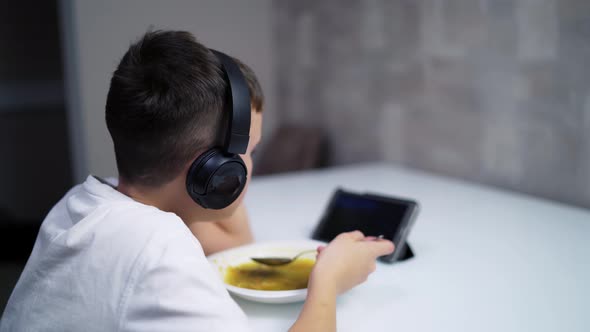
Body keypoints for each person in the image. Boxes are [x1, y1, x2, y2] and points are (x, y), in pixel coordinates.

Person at [0, 30, 394, 332]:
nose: (250, 167)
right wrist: (328, 280)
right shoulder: (157, 249)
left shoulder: (86, 203)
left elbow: (237, 246)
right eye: (249, 153)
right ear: (218, 172)